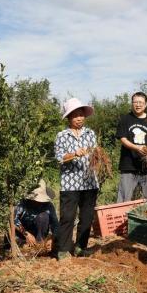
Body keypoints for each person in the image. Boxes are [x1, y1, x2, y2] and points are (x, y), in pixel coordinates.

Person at [54, 98, 99, 260]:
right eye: (75, 115)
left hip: (89, 182)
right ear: (69, 118)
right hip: (70, 184)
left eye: (81, 115)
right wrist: (74, 154)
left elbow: (95, 154)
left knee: (87, 218)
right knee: (67, 218)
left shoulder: (90, 133)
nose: (79, 118)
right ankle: (63, 250)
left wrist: (98, 157)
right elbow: (59, 158)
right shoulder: (62, 136)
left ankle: (81, 247)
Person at [116, 91, 147, 202]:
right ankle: (121, 218)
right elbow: (123, 139)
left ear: (146, 104)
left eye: (141, 102)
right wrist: (137, 148)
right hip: (128, 166)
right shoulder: (125, 119)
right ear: (132, 104)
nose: (138, 104)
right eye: (135, 102)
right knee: (123, 199)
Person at [14, 179, 59, 246]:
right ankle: (22, 243)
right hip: (22, 233)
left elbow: (55, 224)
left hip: (39, 232)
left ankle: (39, 243)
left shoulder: (48, 205)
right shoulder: (22, 203)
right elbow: (13, 220)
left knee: (43, 216)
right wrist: (26, 233)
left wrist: (52, 238)